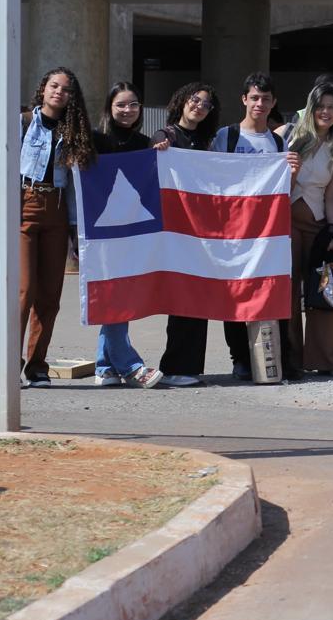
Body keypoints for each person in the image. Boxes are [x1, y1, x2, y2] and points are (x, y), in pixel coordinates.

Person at [211, 73, 301, 380]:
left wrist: (292, 172)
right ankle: (240, 358)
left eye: (265, 99)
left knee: (269, 292)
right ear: (244, 100)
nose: (259, 104)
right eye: (254, 97)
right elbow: (214, 178)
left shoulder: (277, 141)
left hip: (268, 233)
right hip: (234, 231)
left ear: (273, 102)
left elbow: (283, 190)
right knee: (235, 293)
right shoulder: (228, 136)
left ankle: (272, 357)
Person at [18, 67, 96, 388]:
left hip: (58, 210)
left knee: (50, 296)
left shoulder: (73, 131)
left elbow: (77, 187)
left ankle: (37, 366)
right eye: (54, 86)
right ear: (43, 88)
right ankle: (9, 362)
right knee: (23, 291)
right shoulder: (22, 123)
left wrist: (77, 230)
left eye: (66, 90)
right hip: (23, 204)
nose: (59, 93)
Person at [90, 82, 165, 389]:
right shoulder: (96, 140)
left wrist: (164, 143)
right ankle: (130, 366)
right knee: (115, 294)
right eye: (121, 104)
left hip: (133, 230)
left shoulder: (146, 144)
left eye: (133, 104)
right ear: (110, 107)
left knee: (119, 292)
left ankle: (104, 366)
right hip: (99, 230)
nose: (127, 110)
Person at [153, 82, 221, 387]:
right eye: (195, 100)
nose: (199, 106)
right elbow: (155, 141)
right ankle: (173, 366)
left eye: (206, 104)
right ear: (182, 100)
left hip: (202, 231)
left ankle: (191, 367)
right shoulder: (169, 135)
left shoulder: (209, 142)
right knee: (181, 298)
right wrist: (159, 144)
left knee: (200, 296)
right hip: (176, 229)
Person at [277, 81, 333, 377]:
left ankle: (323, 360)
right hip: (286, 220)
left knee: (324, 290)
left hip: (318, 223)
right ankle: (290, 360)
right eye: (321, 107)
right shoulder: (287, 135)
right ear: (311, 108)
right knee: (289, 290)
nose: (326, 112)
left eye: (332, 107)